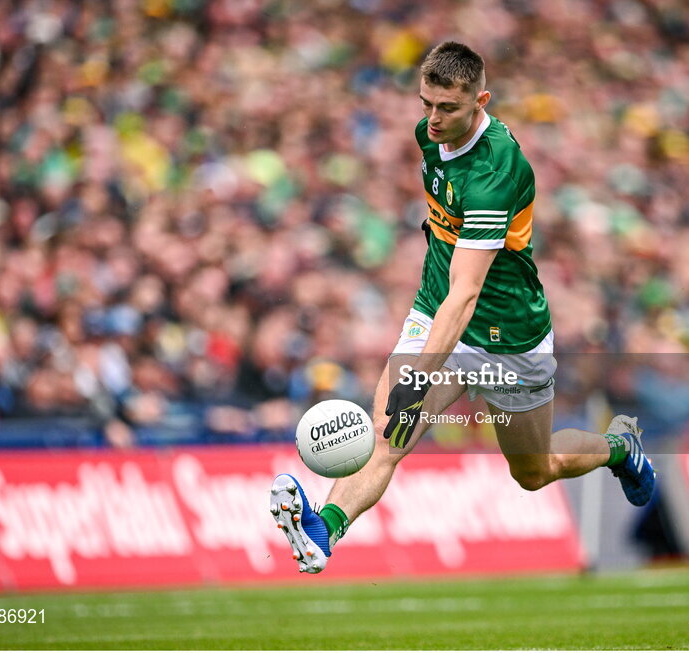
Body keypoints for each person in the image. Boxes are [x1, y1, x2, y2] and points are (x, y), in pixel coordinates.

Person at [270, 42, 655, 574]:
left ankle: (619, 446)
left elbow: (468, 293)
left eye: (447, 107)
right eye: (425, 103)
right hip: (436, 309)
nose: (432, 118)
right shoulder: (428, 136)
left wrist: (419, 375)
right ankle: (324, 528)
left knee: (535, 469)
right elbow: (447, 272)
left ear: (481, 101)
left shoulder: (496, 172)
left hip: (508, 334)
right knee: (386, 435)